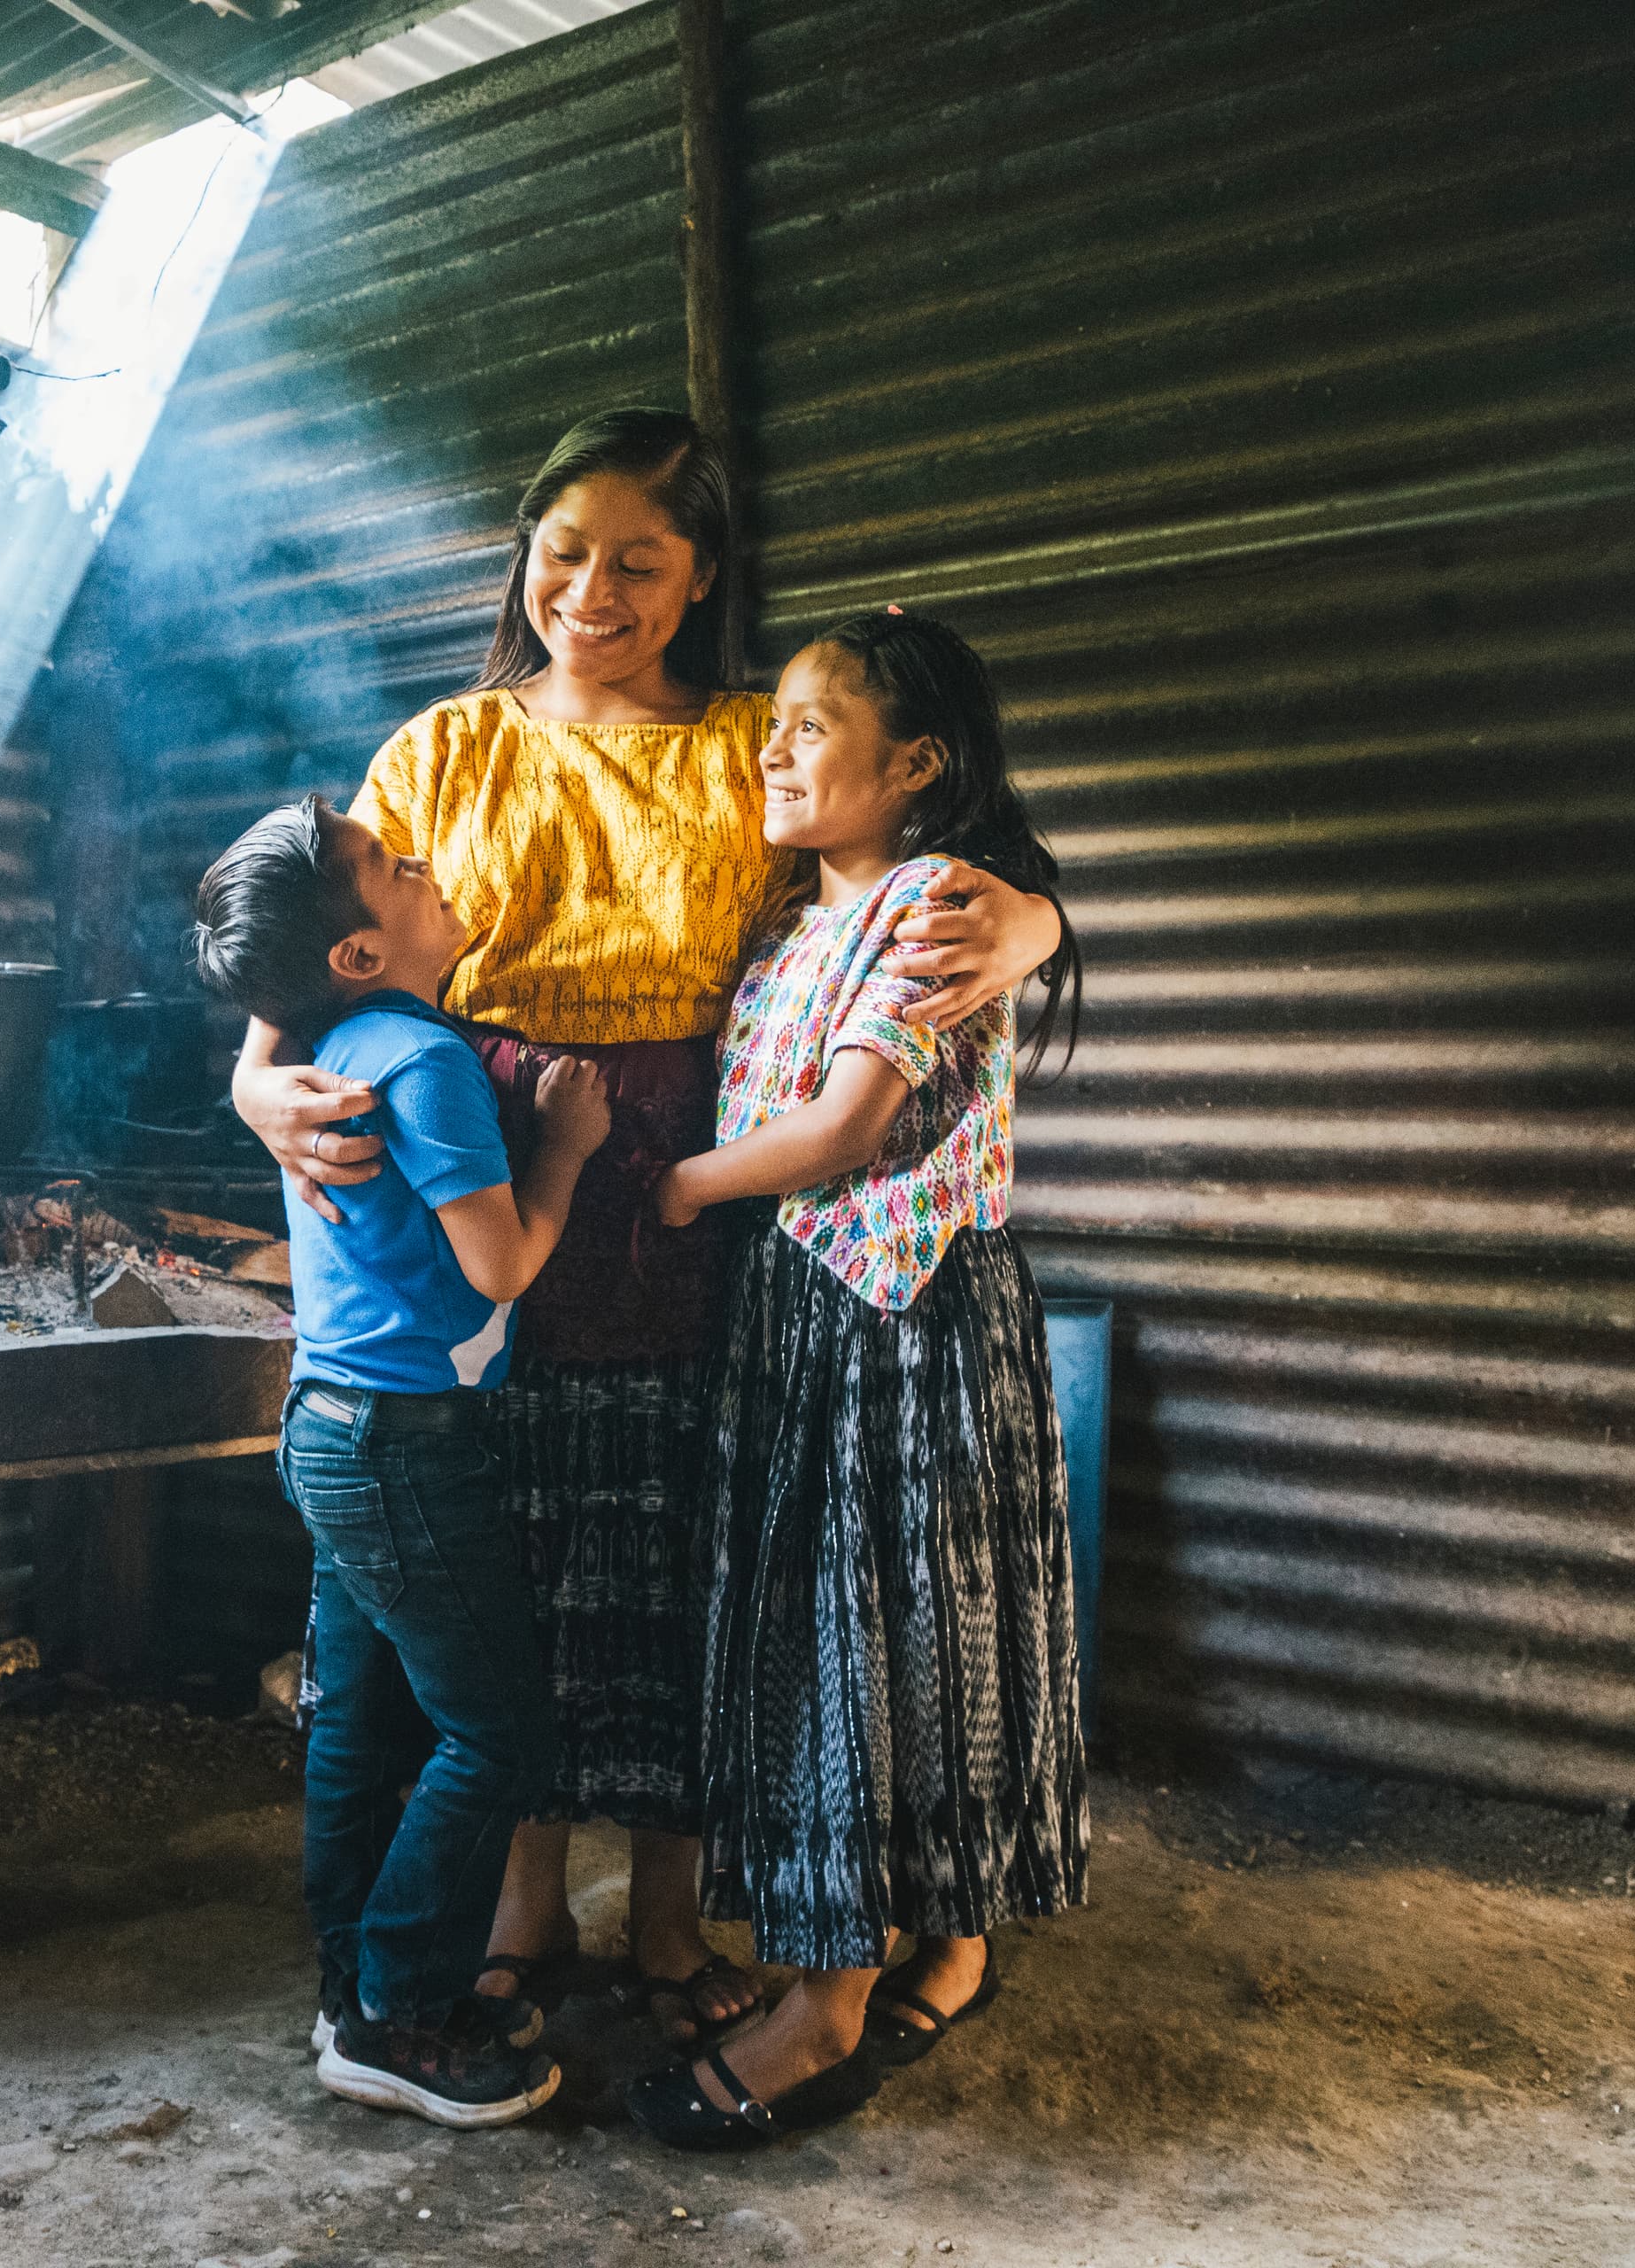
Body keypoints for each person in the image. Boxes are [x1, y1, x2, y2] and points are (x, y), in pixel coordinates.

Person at [229, 409, 1066, 2046]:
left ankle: (672, 1920)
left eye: (639, 561)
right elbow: (302, 977)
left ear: (697, 584)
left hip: (713, 1178)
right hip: (492, 1165)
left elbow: (934, 874)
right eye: (563, 551)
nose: (591, 590)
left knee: (699, 1542)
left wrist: (1031, 924)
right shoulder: (445, 751)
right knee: (524, 1542)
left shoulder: (760, 744)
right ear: (521, 556)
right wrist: (255, 1093)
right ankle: (528, 1906)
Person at [620, 610, 1089, 2150]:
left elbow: (843, 1133)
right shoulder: (791, 921)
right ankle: (946, 1944)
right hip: (818, 1319)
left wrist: (679, 1190)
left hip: (909, 1322)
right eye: (779, 720)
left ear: (918, 767)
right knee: (898, 1637)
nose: (775, 746)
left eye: (814, 726)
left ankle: (832, 2005)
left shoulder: (937, 903)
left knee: (864, 1644)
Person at [191, 792, 612, 2130]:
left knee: (361, 1725)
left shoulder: (347, 1043)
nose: (425, 866)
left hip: (329, 1428)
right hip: (400, 1444)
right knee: (500, 1731)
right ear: (359, 951)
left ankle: (353, 1995)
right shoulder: (421, 1065)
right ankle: (403, 2016)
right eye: (391, 866)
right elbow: (502, 1262)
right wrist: (567, 1146)